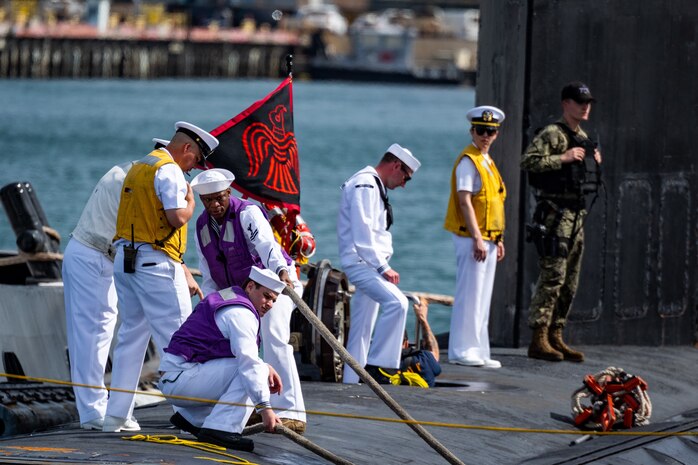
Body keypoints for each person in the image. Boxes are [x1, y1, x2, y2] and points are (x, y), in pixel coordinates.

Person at [103, 122, 217, 432]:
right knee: (180, 338)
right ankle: (196, 416)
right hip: (155, 264)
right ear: (187, 149)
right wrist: (192, 202)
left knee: (131, 336)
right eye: (196, 160)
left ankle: (116, 416)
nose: (194, 168)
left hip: (126, 259)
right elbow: (175, 216)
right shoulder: (169, 171)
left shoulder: (141, 165)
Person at [62, 138, 170, 430]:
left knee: (99, 334)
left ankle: (105, 409)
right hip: (93, 256)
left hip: (99, 256)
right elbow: (149, 231)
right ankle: (92, 413)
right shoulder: (138, 183)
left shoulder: (127, 171)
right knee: (91, 336)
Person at [189, 168, 307, 434]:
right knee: (233, 344)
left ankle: (292, 411)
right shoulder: (201, 227)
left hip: (274, 284)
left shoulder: (247, 213)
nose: (215, 205)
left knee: (274, 333)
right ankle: (246, 409)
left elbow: (267, 247)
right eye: (208, 200)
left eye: (219, 198)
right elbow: (208, 273)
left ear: (228, 193)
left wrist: (282, 273)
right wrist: (209, 306)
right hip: (239, 295)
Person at [158, 266, 285, 452]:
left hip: (176, 376)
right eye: (266, 296)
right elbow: (248, 364)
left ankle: (193, 418)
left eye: (274, 300)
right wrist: (265, 409)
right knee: (254, 371)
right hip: (180, 380)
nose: (270, 304)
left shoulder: (230, 296)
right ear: (250, 286)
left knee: (257, 368)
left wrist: (263, 366)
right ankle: (221, 429)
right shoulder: (242, 314)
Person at [521, 81, 602, 362]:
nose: (585, 106)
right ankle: (538, 337)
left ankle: (556, 334)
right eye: (579, 101)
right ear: (565, 103)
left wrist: (592, 160)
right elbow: (529, 161)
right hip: (556, 216)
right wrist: (562, 158)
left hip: (576, 215)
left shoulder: (583, 136)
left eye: (588, 102)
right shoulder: (553, 134)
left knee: (570, 280)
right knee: (553, 275)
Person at [337, 143, 421, 384]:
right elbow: (363, 234)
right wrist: (383, 268)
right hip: (362, 263)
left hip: (369, 263)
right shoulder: (365, 184)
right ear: (396, 165)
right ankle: (380, 366)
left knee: (362, 328)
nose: (404, 184)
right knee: (397, 303)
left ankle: (352, 379)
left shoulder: (374, 185)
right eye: (406, 176)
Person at [444, 106, 507, 368]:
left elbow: (493, 202)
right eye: (481, 130)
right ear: (472, 131)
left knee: (482, 296)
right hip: (473, 238)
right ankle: (461, 350)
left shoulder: (487, 161)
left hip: (489, 238)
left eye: (490, 131)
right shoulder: (469, 161)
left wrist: (497, 238)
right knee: (470, 293)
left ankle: (479, 349)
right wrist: (478, 238)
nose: (485, 135)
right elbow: (465, 201)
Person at [400, 297, 442, 387]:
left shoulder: (371, 363)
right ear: (406, 343)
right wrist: (422, 318)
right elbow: (434, 354)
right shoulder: (423, 359)